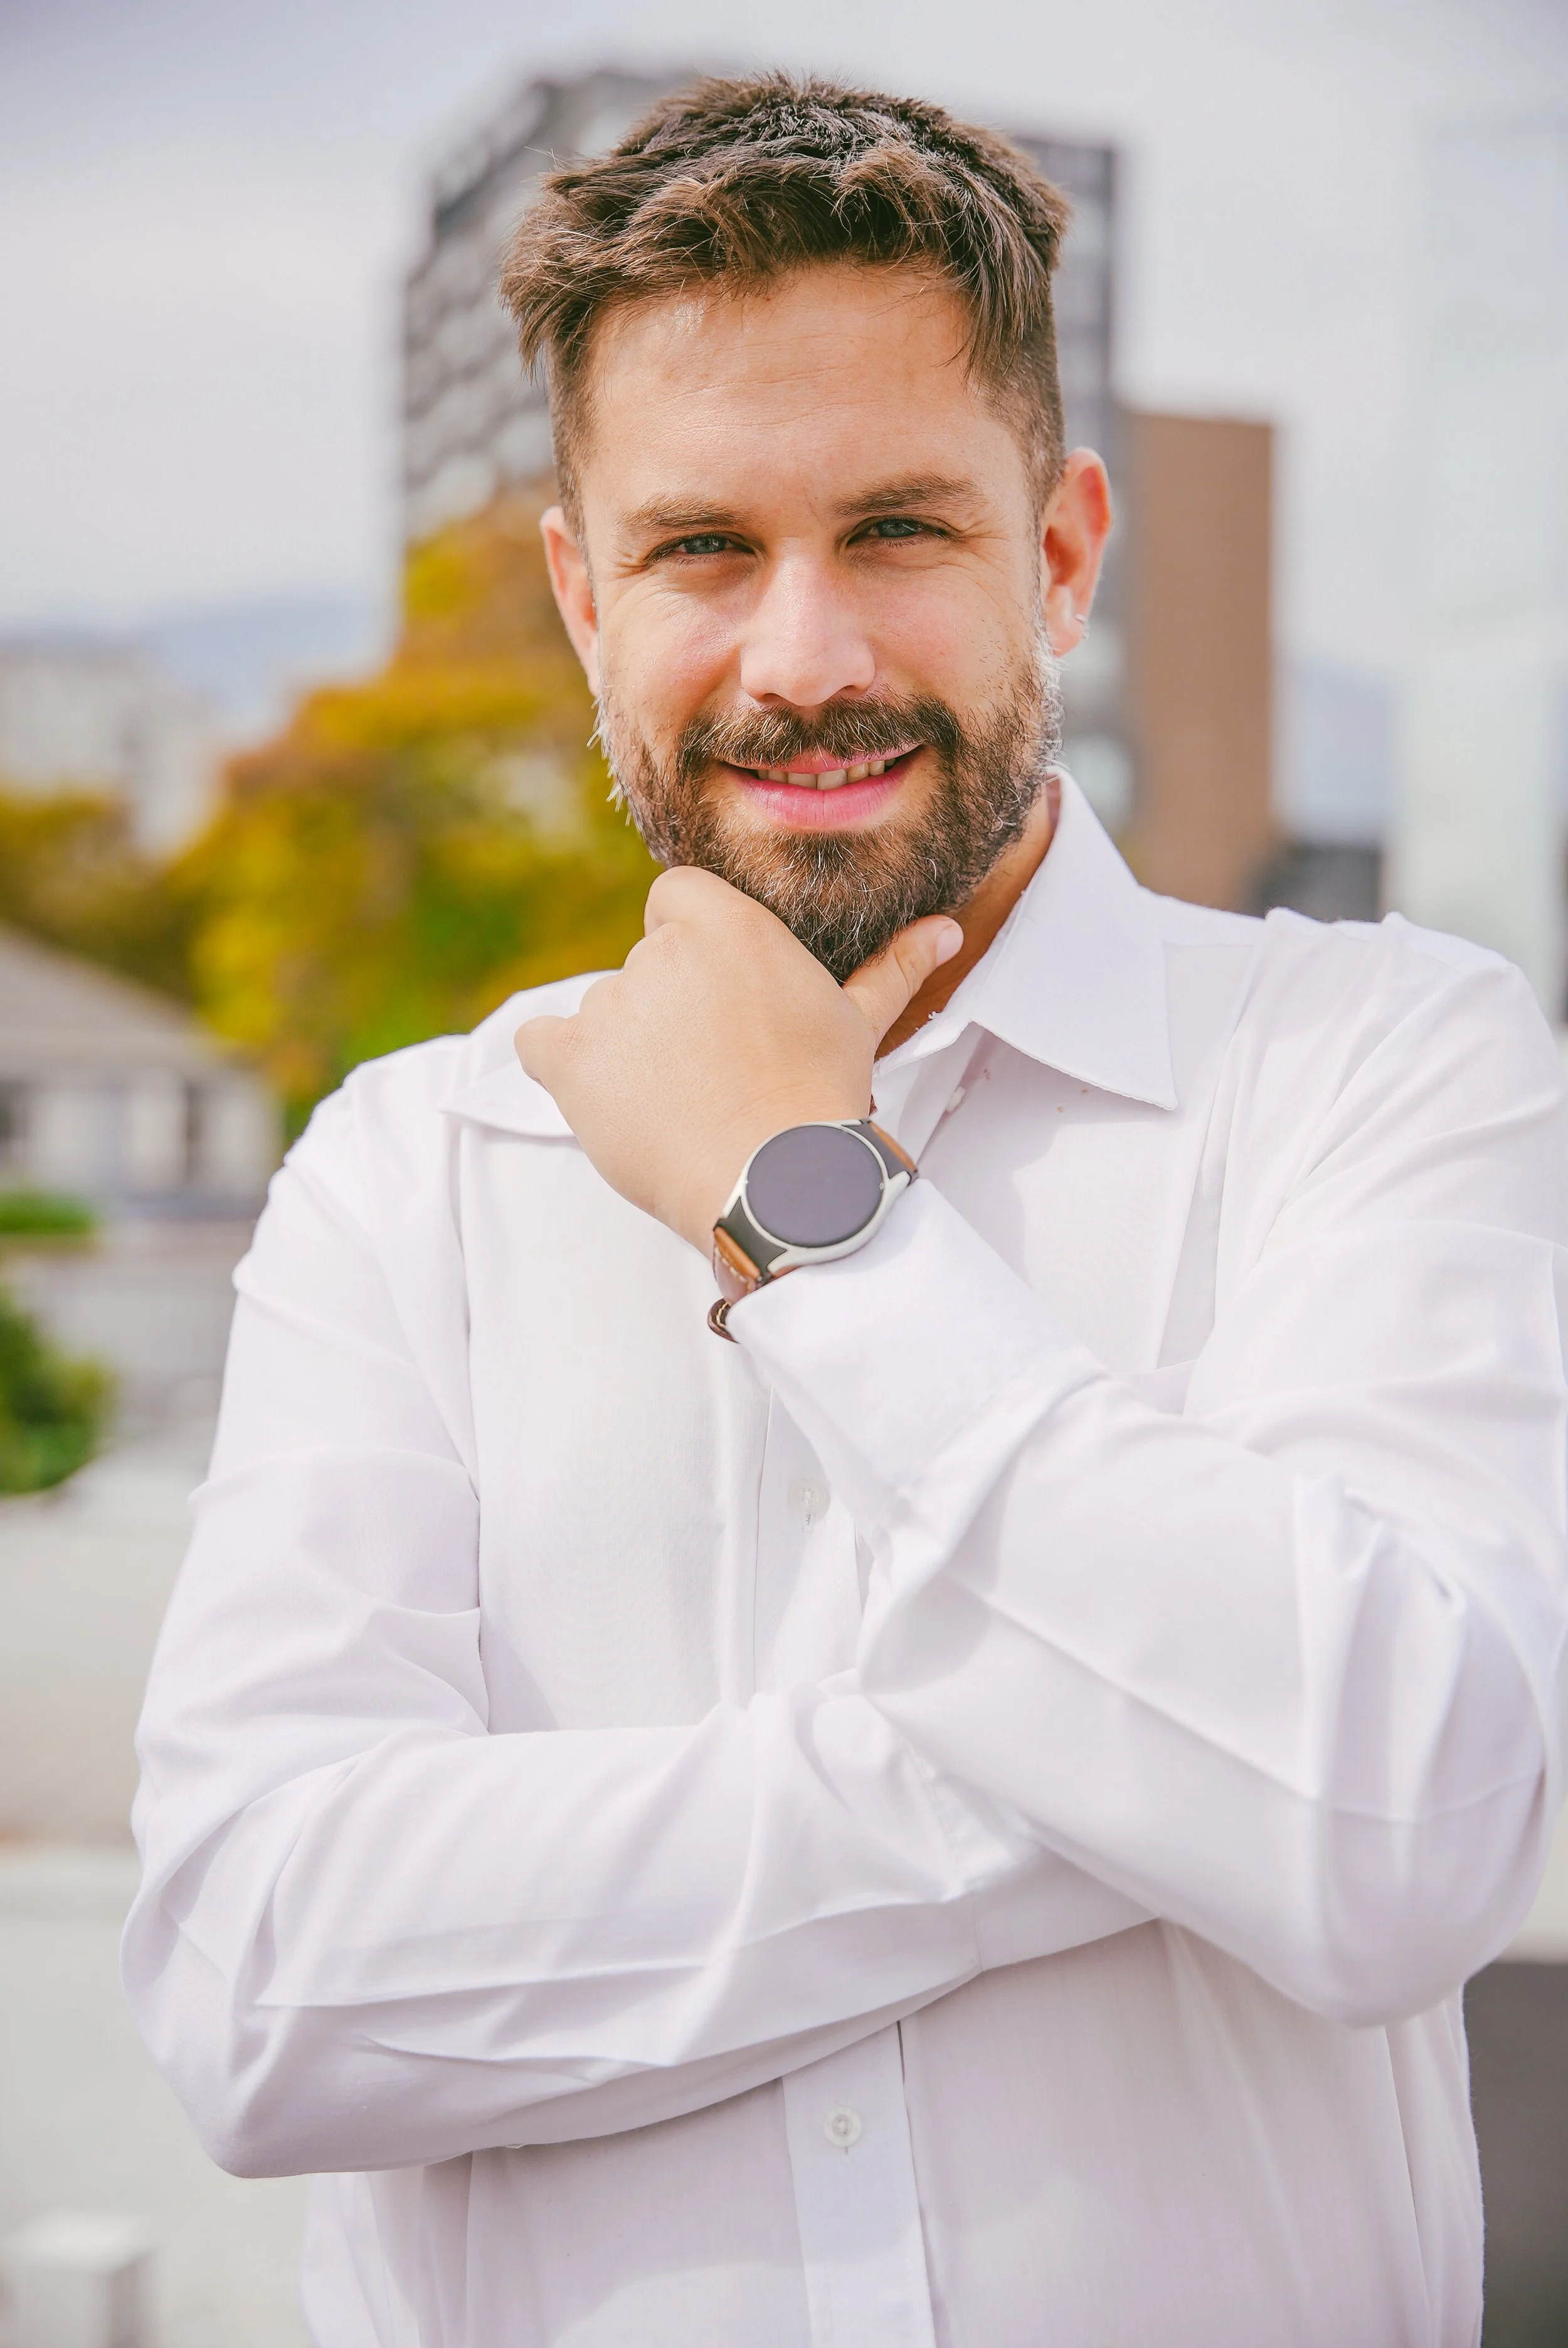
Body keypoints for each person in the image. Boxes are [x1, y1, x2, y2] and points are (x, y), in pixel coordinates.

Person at [123, 73, 1568, 2348]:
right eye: (703, 548)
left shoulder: (1379, 1059)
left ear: (1060, 557)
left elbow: (1400, 1832)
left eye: (896, 528)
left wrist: (801, 1214)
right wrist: (1163, 1765)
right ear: (584, 598)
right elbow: (262, 1992)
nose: (803, 661)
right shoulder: (407, 1170)